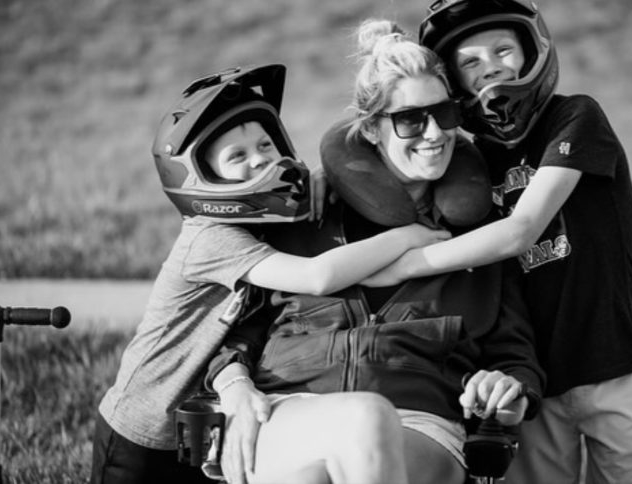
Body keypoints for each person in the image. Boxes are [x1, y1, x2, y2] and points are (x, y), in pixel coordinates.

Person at [203, 19, 545, 484]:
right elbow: (239, 329)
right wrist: (236, 385)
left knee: (354, 436)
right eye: (409, 119)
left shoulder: (479, 238)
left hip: (422, 425)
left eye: (444, 113)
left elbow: (514, 353)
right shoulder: (306, 222)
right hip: (292, 410)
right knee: (353, 428)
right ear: (369, 130)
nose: (434, 133)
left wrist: (508, 386)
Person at [90, 64, 455, 484]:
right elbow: (319, 277)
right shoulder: (212, 237)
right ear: (200, 177)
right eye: (237, 157)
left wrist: (327, 179)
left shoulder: (260, 225)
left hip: (202, 416)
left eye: (266, 144)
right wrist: (408, 236)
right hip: (142, 427)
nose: (261, 159)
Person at [350, 1, 632, 482]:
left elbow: (522, 230)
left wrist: (406, 263)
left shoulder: (575, 117)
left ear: (532, 51)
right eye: (470, 62)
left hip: (612, 363)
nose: (490, 66)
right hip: (533, 375)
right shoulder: (471, 161)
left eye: (502, 50)